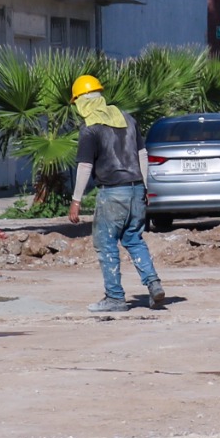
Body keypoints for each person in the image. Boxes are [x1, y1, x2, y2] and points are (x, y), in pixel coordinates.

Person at [64, 73, 164, 312]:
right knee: (133, 239)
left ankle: (115, 297)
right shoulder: (127, 119)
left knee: (105, 243)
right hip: (136, 188)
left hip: (112, 193)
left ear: (81, 101)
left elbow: (85, 166)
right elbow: (142, 155)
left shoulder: (90, 128)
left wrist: (76, 200)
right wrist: (146, 187)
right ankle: (154, 284)